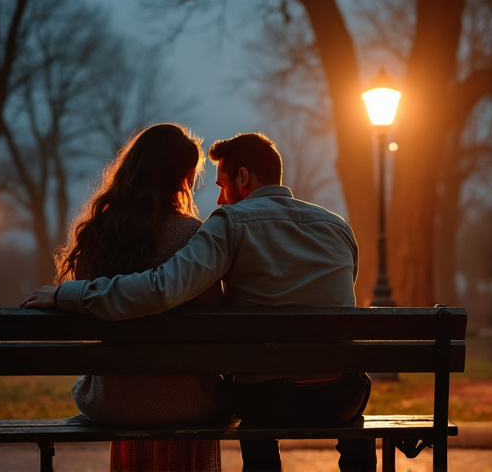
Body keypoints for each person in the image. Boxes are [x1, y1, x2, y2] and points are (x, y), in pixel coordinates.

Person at [23, 132, 377, 472]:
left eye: (222, 186)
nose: (220, 199)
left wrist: (71, 293)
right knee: (348, 387)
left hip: (270, 399)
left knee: (254, 395)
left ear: (243, 176)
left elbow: (162, 288)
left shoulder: (230, 223)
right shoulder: (336, 225)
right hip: (341, 397)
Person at [41, 123, 224, 472]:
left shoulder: (98, 235)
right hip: (189, 401)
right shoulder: (190, 236)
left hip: (113, 401)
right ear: (183, 176)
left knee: (133, 399)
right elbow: (211, 308)